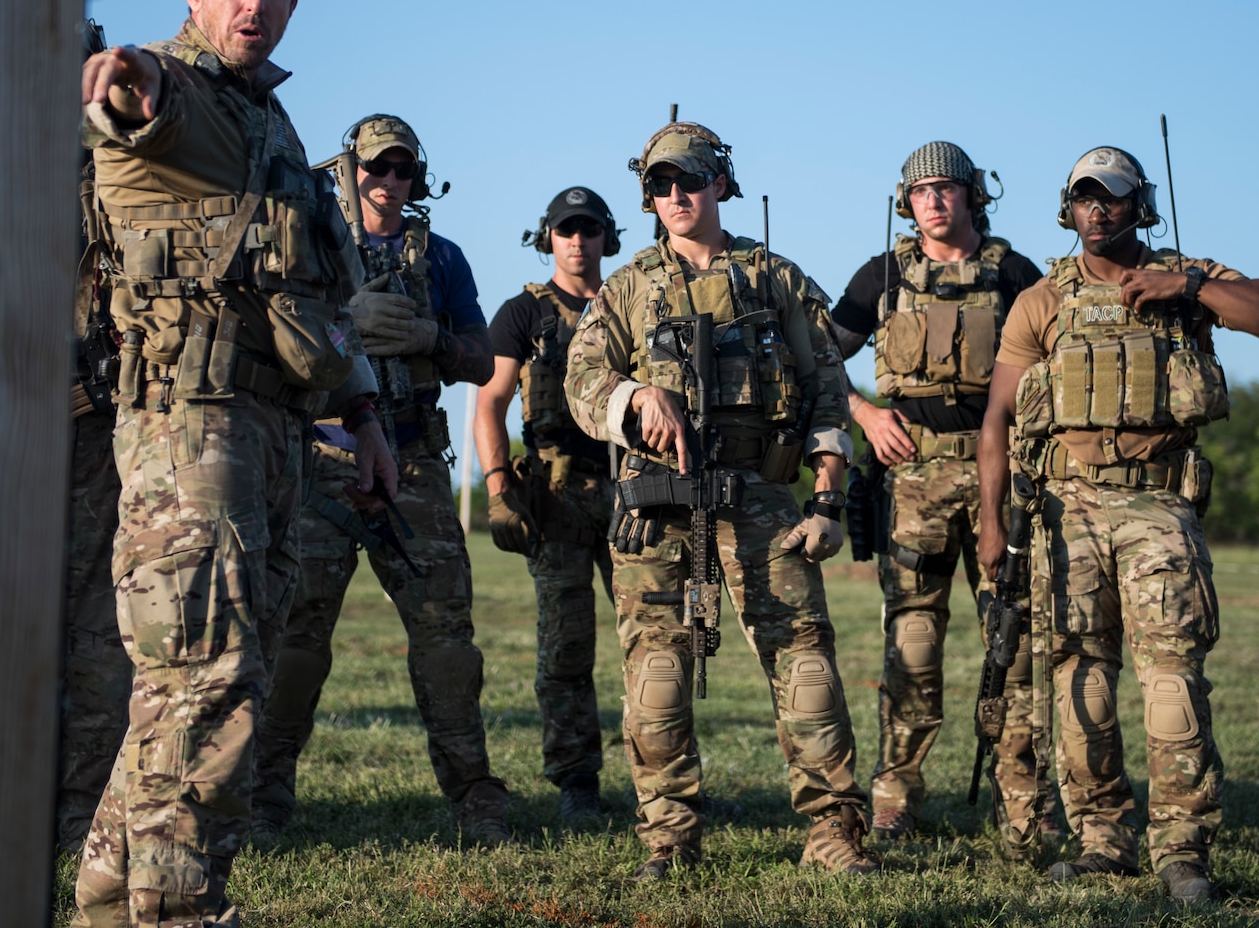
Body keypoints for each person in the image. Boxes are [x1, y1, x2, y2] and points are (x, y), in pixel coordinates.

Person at [73, 0, 393, 926]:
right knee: (210, 687)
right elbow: (136, 100)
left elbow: (314, 296)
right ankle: (176, 912)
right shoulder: (193, 101)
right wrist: (128, 80)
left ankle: (106, 899)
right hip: (187, 433)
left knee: (185, 688)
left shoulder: (273, 124)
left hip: (265, 437)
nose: (257, 3)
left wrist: (366, 416)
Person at [977, 146, 1259, 905]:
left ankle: (1181, 847)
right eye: (1085, 198)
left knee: (1172, 679)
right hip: (1066, 509)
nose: (1098, 210)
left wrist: (1185, 285)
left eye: (1113, 198)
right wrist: (991, 525)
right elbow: (996, 417)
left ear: (1140, 205)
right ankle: (1103, 840)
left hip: (1157, 504)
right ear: (1068, 207)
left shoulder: (1189, 279)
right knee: (1078, 677)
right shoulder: (1042, 298)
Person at [564, 120, 878, 879]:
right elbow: (582, 380)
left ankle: (834, 829)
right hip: (656, 502)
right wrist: (636, 396)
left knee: (805, 667)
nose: (677, 196)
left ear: (720, 183)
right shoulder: (629, 286)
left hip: (761, 498)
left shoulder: (776, 277)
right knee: (657, 677)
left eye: (691, 180)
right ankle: (668, 836)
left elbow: (827, 391)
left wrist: (828, 499)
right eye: (661, 185)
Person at [252, 114, 510, 846]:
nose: (388, 182)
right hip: (327, 457)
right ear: (348, 172)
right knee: (297, 635)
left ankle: (475, 798)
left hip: (416, 463)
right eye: (375, 168)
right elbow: (278, 339)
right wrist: (346, 329)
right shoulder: (314, 249)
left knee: (446, 641)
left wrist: (432, 338)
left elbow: (483, 361)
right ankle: (266, 797)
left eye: (401, 170)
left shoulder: (443, 258)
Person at [826, 141, 1046, 850]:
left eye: (948, 188)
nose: (935, 200)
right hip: (910, 472)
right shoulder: (883, 275)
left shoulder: (1014, 274)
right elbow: (819, 356)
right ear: (906, 200)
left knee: (1012, 639)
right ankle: (895, 796)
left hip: (1000, 470)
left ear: (974, 194)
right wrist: (865, 414)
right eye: (922, 190)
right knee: (911, 641)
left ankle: (1023, 798)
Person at [472, 187, 622, 824]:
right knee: (564, 649)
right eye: (566, 230)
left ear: (606, 238)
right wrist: (498, 485)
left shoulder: (632, 305)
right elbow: (489, 403)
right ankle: (576, 782)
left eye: (589, 229)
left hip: (631, 492)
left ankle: (664, 780)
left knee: (656, 642)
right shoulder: (522, 313)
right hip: (555, 497)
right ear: (549, 238)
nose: (578, 241)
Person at [54, 148, 132, 856]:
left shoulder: (123, 195)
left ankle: (80, 814)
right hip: (4, 446)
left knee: (99, 638)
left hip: (101, 450)